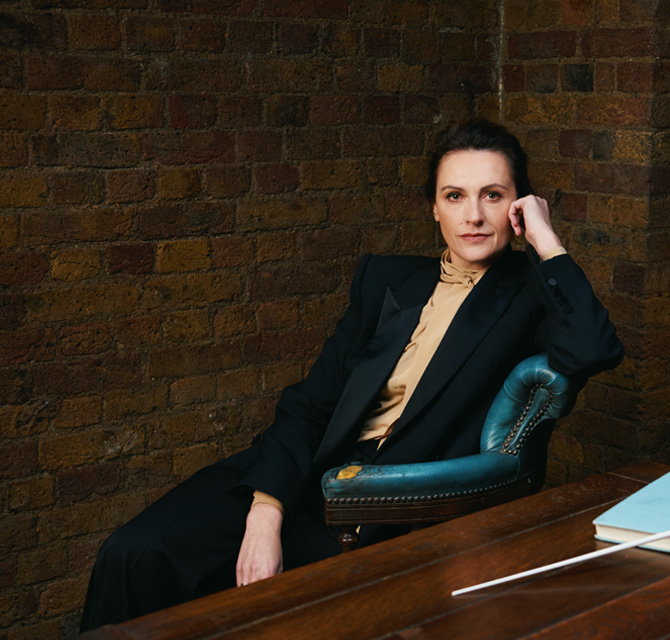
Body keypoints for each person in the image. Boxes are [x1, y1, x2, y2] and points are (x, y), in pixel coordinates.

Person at [80, 118, 623, 630]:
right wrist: (265, 514)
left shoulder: (529, 298)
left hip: (382, 502)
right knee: (135, 554)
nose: (473, 216)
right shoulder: (387, 279)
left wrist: (546, 242)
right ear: (434, 208)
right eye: (454, 196)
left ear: (518, 209)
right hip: (299, 470)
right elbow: (311, 402)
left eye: (493, 195)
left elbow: (593, 350)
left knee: (251, 604)